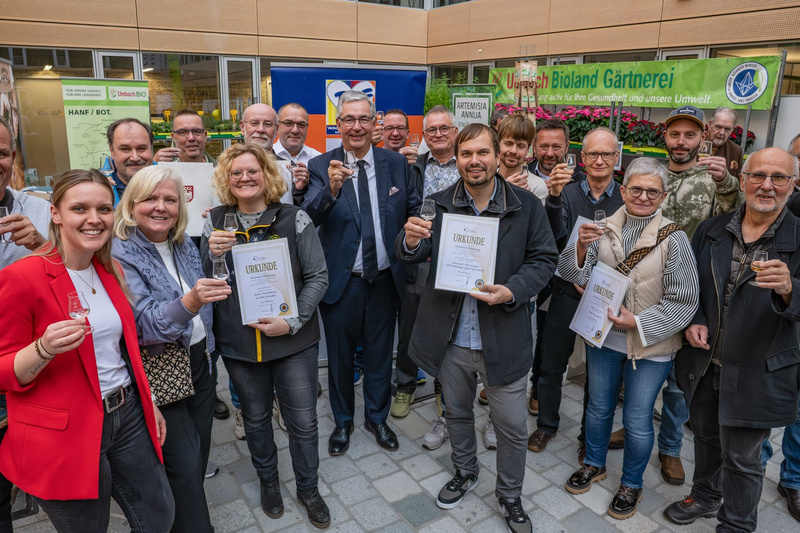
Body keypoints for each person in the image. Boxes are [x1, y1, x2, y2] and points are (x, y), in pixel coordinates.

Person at [397, 123, 557, 533]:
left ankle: (510, 494)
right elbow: (413, 251)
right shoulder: (437, 204)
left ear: (497, 156)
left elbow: (544, 260)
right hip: (450, 336)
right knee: (456, 413)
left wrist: (512, 291)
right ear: (457, 158)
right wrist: (410, 241)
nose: (474, 161)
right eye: (466, 153)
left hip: (503, 336)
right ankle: (465, 471)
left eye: (482, 152)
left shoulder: (525, 205)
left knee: (512, 426)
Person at [0, 169, 173, 532]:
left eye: (104, 209)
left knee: (159, 516)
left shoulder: (110, 269)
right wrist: (43, 348)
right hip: (64, 433)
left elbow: (121, 351)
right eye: (80, 208)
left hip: (126, 413)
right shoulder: (23, 277)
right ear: (56, 214)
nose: (94, 219)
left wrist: (149, 401)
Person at [664, 148, 800, 532]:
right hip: (707, 361)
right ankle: (705, 496)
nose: (767, 185)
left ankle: (736, 525)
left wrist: (791, 288)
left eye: (778, 177)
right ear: (743, 180)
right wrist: (694, 320)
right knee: (706, 437)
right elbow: (688, 287)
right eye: (758, 176)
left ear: (793, 185)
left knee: (742, 458)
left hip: (759, 370)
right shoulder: (712, 229)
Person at [559, 157, 699, 519]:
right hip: (603, 339)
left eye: (652, 191)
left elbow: (684, 300)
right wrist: (578, 248)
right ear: (623, 191)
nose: (643, 196)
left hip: (651, 347)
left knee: (637, 419)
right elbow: (571, 273)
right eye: (636, 189)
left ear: (663, 196)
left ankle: (632, 483)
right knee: (598, 407)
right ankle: (594, 463)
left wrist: (635, 321)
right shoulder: (600, 228)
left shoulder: (676, 238)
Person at [202, 143, 330, 528]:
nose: (245, 178)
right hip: (240, 345)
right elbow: (206, 281)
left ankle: (308, 488)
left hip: (292, 342)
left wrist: (292, 321)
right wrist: (213, 254)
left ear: (267, 175)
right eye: (236, 172)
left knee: (303, 422)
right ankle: (269, 482)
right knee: (255, 419)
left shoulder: (294, 218)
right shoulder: (215, 222)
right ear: (227, 180)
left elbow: (318, 277)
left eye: (252, 171)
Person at [112, 165, 231, 532]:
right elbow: (145, 326)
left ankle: (182, 516)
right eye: (150, 198)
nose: (161, 207)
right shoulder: (121, 251)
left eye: (170, 199)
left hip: (200, 361)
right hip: (162, 367)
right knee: (184, 463)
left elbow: (202, 294)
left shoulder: (181, 242)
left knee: (198, 454)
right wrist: (192, 301)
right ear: (132, 204)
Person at [303, 90, 420, 457]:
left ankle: (376, 417)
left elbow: (413, 208)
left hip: (385, 280)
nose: (356, 126)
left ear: (375, 123)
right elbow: (309, 216)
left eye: (363, 119)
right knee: (339, 359)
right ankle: (342, 422)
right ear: (338, 125)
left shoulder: (396, 163)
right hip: (343, 282)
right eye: (349, 120)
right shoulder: (321, 165)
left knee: (380, 354)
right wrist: (332, 189)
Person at [645, 104, 743, 486]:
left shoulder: (713, 177)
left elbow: (737, 217)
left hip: (692, 295)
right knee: (637, 372)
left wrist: (727, 183)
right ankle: (635, 427)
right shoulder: (651, 174)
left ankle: (670, 448)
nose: (681, 141)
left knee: (678, 383)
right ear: (665, 137)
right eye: (675, 134)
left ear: (703, 137)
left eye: (689, 135)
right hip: (648, 290)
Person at [529, 127, 623, 462]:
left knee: (598, 377)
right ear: (582, 157)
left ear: (616, 157)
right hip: (566, 290)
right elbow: (553, 235)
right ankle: (546, 425)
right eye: (593, 154)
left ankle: (588, 436)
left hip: (605, 300)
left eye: (606, 154)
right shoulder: (567, 193)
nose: (599, 160)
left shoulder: (625, 197)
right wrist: (554, 198)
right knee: (551, 365)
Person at [392, 105, 460, 451]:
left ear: (455, 131)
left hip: (458, 261)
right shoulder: (413, 167)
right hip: (420, 258)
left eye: (443, 128)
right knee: (411, 324)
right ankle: (405, 385)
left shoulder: (468, 164)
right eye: (431, 130)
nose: (437, 134)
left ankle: (444, 391)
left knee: (451, 328)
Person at [0, 116, 50, 532]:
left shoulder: (37, 208)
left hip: (29, 364)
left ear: (13, 157)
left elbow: (75, 273)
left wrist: (41, 244)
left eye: (1, 153)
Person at [240, 103, 294, 204]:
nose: (261, 129)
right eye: (254, 123)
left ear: (276, 130)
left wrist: (301, 190)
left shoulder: (290, 170)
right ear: (243, 127)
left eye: (267, 124)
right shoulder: (225, 167)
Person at [274, 103, 321, 200]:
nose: (295, 130)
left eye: (301, 124)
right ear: (278, 126)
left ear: (307, 127)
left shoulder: (318, 159)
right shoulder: (266, 157)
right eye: (288, 123)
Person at [497, 114, 548, 204]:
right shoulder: (486, 180)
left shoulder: (536, 186)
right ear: (498, 144)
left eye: (520, 146)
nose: (513, 151)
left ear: (528, 149)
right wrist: (503, 190)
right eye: (508, 144)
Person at [106, 118, 154, 204]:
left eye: (141, 148)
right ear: (111, 150)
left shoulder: (170, 184)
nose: (135, 158)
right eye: (125, 149)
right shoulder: (96, 188)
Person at [707, 107, 743, 178]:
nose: (722, 133)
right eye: (718, 127)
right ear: (710, 124)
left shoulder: (736, 151)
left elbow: (738, 181)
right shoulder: (696, 143)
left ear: (732, 130)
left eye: (727, 129)